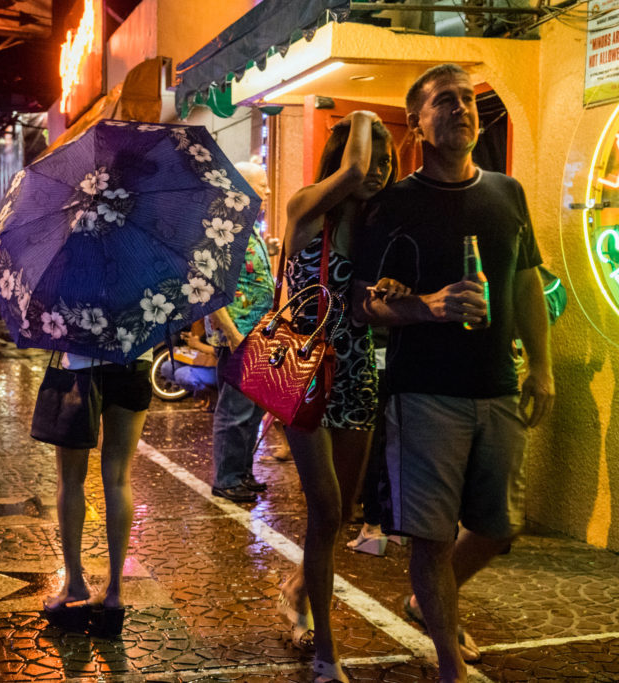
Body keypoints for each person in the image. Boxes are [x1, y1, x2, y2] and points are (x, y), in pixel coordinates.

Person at [352, 63, 554, 683]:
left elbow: (525, 285)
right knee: (432, 539)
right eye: (444, 101)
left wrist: (541, 367)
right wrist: (429, 306)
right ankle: (448, 667)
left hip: (496, 384)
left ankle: (426, 602)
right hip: (425, 393)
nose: (460, 109)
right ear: (417, 121)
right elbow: (363, 302)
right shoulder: (394, 204)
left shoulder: (507, 192)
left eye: (467, 100)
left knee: (497, 526)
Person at [278, 110, 402, 683]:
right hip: (305, 374)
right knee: (325, 509)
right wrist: (363, 116)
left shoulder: (378, 226)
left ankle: (297, 585)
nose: (375, 168)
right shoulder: (306, 207)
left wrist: (389, 293)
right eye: (367, 155)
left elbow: (365, 309)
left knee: (344, 514)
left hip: (356, 374)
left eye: (385, 157)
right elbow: (352, 168)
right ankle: (327, 651)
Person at [39, 349, 154, 638]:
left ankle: (74, 586)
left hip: (81, 369)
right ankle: (114, 592)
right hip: (135, 366)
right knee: (118, 479)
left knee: (71, 479)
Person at [208, 161, 275, 503]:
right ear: (244, 188)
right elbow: (209, 287)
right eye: (262, 184)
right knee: (234, 412)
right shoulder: (225, 229)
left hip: (258, 335)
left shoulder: (252, 228)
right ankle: (227, 478)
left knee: (253, 411)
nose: (268, 190)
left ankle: (242, 472)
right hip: (238, 336)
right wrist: (232, 333)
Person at [159, 320, 217, 410]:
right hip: (201, 359)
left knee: (182, 374)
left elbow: (221, 351)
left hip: (219, 365)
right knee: (167, 367)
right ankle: (201, 390)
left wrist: (198, 345)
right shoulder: (199, 319)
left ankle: (212, 394)